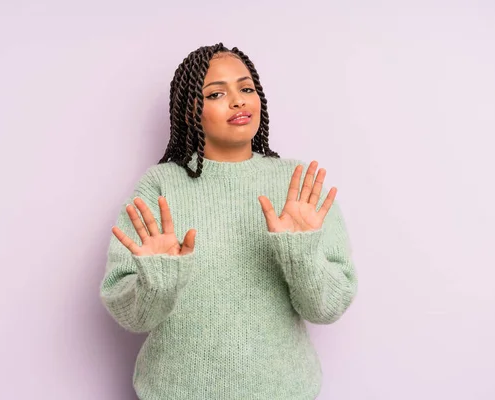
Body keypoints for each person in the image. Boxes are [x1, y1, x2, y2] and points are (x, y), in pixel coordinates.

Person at [99, 43, 358, 400]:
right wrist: (158, 279)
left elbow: (327, 309)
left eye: (246, 88)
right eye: (217, 93)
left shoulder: (297, 185)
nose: (238, 101)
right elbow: (133, 318)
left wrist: (300, 255)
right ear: (191, 108)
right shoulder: (160, 186)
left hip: (283, 391)